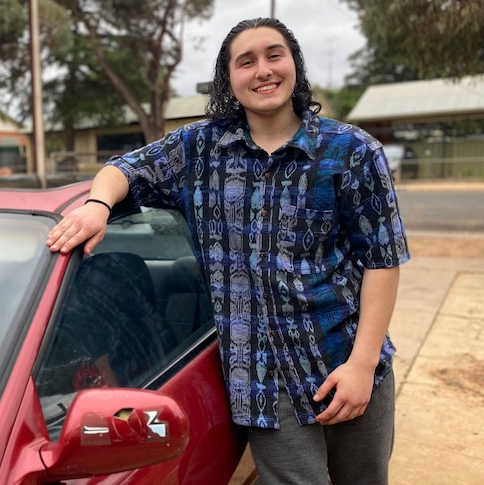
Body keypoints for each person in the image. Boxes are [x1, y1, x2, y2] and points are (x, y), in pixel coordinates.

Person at [46, 17, 409, 485]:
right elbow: (124, 169)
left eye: (274, 55)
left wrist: (361, 366)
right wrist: (97, 205)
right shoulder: (199, 148)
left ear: (293, 64)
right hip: (262, 382)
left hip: (345, 358)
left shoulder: (353, 151)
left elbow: (382, 259)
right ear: (229, 78)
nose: (263, 70)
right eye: (246, 61)